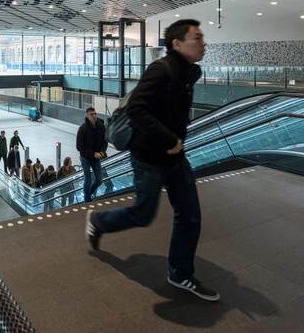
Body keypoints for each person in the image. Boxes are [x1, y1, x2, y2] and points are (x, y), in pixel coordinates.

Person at [85, 18, 219, 302]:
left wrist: (175, 143)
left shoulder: (186, 73)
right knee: (143, 215)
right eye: (197, 38)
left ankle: (180, 273)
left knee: (190, 215)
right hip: (149, 159)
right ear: (177, 44)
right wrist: (169, 139)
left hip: (175, 158)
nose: (202, 42)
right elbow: (137, 110)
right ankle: (98, 220)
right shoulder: (161, 70)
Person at [76, 107, 108, 201]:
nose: (94, 116)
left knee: (99, 180)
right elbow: (79, 147)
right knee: (88, 179)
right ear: (87, 115)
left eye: (95, 114)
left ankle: (89, 193)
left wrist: (102, 151)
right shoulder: (82, 129)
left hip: (96, 157)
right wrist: (93, 153)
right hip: (85, 157)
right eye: (91, 114)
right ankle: (87, 200)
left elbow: (105, 141)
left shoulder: (101, 126)